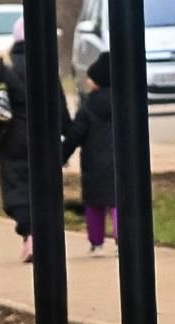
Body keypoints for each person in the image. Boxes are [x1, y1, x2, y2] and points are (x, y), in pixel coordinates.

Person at [0, 18, 71, 263]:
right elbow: (58, 102)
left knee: (16, 186)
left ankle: (29, 235)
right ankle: (41, 235)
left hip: (11, 136)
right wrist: (67, 129)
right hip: (44, 137)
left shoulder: (2, 63)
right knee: (42, 185)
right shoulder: (44, 63)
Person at [62, 52, 117, 254]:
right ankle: (123, 238)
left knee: (94, 205)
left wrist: (61, 156)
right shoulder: (125, 102)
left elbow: (75, 134)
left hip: (93, 165)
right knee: (119, 202)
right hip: (121, 162)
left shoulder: (89, 105)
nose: (88, 81)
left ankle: (96, 242)